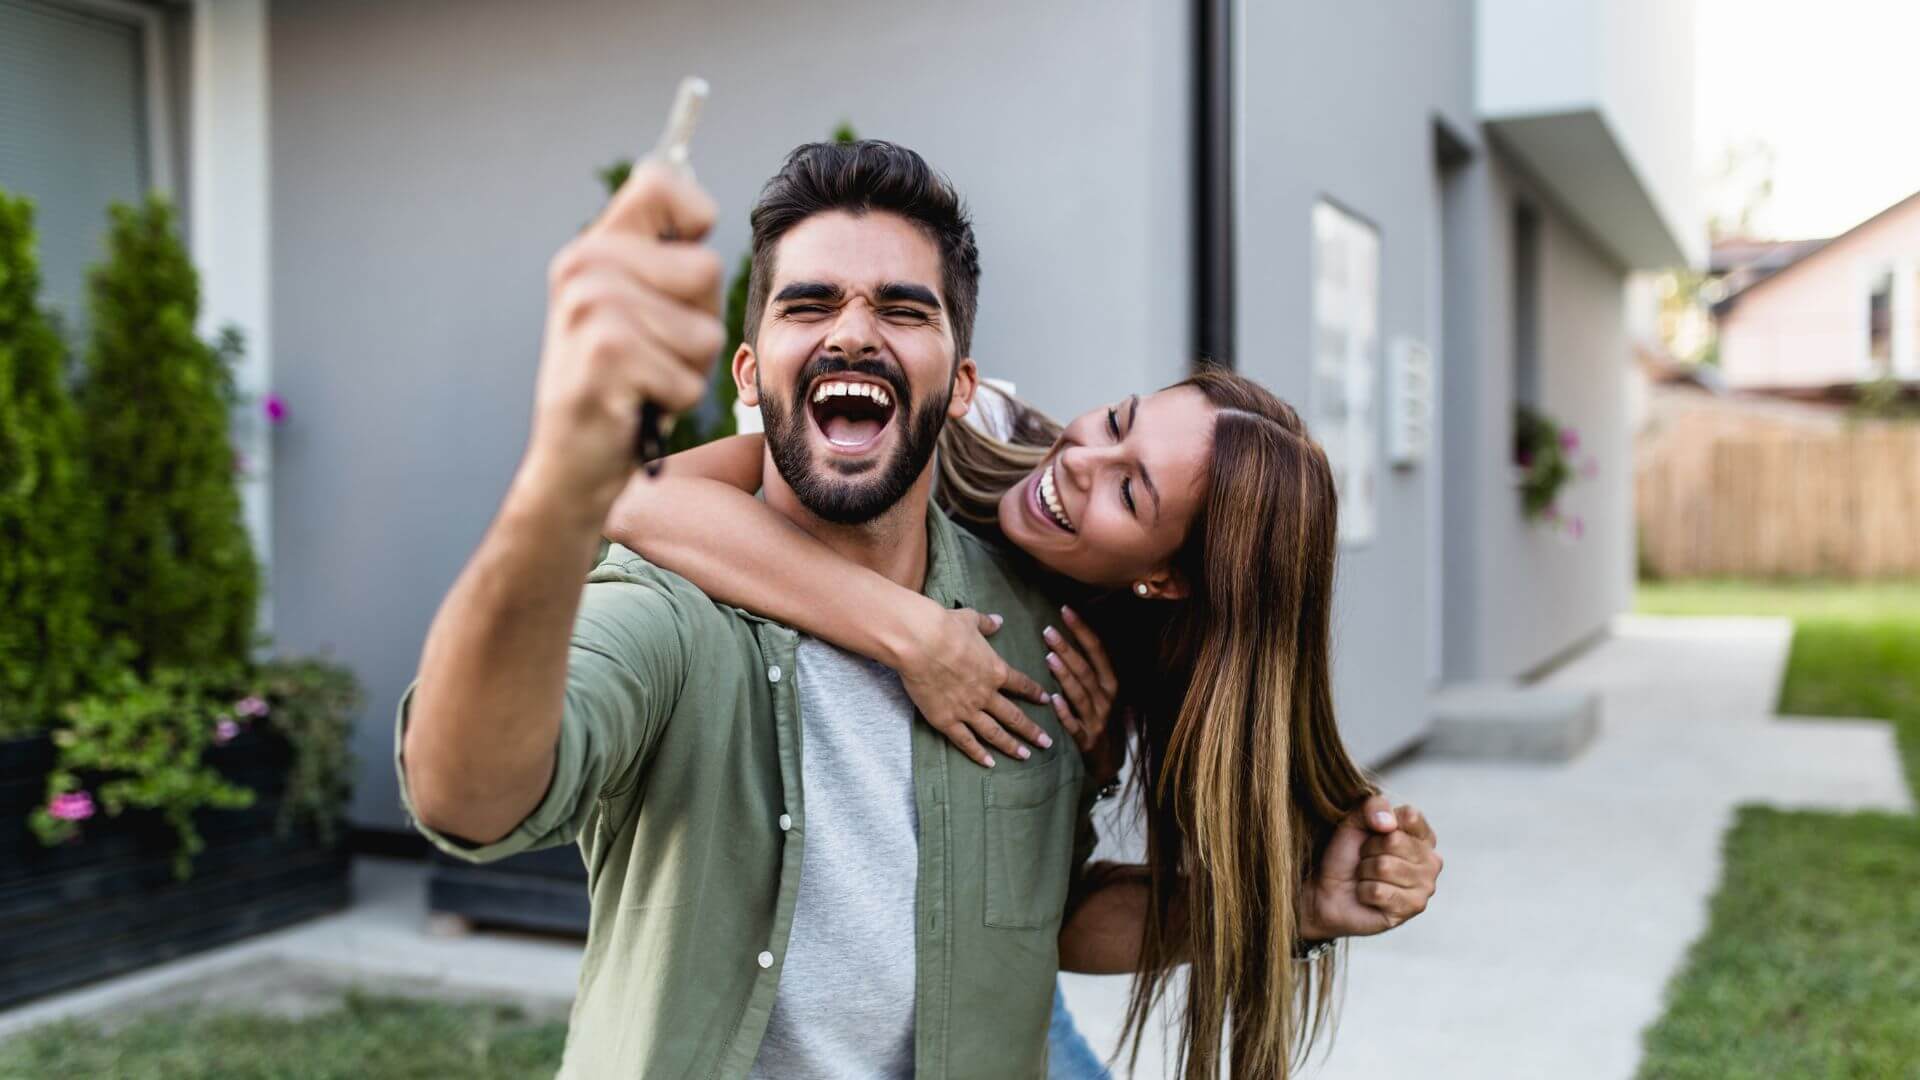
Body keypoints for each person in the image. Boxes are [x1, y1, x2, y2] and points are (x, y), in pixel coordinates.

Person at [397, 138, 1436, 1080]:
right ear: (754, 375)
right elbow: (620, 515)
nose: (1081, 464)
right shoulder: (694, 603)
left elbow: (1043, 916)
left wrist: (1286, 900)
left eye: (902, 307)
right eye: (809, 305)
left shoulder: (1069, 647)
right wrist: (910, 633)